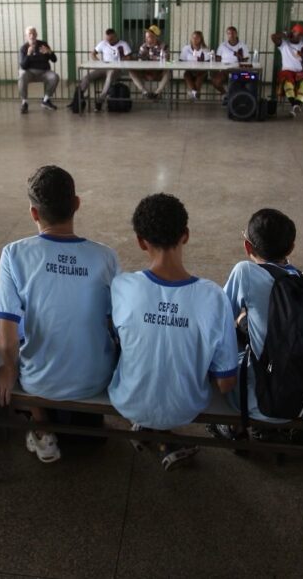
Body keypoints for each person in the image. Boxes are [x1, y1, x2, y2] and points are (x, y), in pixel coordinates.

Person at [0, 166, 121, 463]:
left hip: (39, 382)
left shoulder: (14, 253)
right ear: (76, 204)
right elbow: (118, 324)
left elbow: (7, 338)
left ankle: (41, 424)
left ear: (34, 213)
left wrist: (9, 368)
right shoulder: (106, 256)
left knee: (18, 326)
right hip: (96, 378)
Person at [108, 193, 238, 470]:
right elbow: (226, 384)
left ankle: (149, 427)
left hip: (128, 401)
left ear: (140, 242)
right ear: (186, 235)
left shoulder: (123, 287)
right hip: (186, 408)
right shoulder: (213, 296)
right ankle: (161, 432)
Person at [219, 208, 299, 430]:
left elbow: (221, 314)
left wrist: (241, 321)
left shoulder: (245, 271)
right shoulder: (300, 280)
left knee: (224, 341)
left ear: (247, 247)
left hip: (257, 402)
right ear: (291, 247)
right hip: (302, 396)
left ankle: (230, 428)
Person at [77, 28, 131, 112]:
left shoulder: (123, 44)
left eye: (111, 39)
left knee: (109, 78)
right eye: (107, 39)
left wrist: (123, 58)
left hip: (116, 69)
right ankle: (78, 98)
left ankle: (100, 101)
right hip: (103, 67)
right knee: (86, 78)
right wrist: (98, 62)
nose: (109, 41)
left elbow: (129, 57)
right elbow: (93, 53)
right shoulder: (103, 43)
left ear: (115, 36)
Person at [270, 24, 303, 117]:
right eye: (294, 32)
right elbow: (273, 37)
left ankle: (296, 105)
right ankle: (295, 105)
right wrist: (285, 33)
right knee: (287, 82)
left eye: (299, 34)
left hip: (301, 71)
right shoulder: (284, 44)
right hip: (287, 71)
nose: (297, 35)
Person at [18, 26, 59, 114]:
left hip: (44, 72)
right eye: (29, 34)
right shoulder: (23, 48)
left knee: (55, 77)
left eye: (33, 33)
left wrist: (49, 52)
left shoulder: (43, 44)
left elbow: (54, 59)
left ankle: (46, 100)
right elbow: (23, 66)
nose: (32, 36)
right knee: (22, 75)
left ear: (36, 35)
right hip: (30, 73)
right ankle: (24, 102)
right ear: (26, 36)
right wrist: (28, 54)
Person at [129, 25, 171, 100]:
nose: (147, 39)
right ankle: (145, 92)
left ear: (156, 37)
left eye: (149, 36)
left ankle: (157, 93)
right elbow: (140, 61)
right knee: (131, 71)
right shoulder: (144, 47)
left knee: (168, 71)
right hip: (146, 72)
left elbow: (166, 60)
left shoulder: (164, 46)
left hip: (159, 72)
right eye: (146, 37)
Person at [179, 30, 220, 101]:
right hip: (190, 70)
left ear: (201, 39)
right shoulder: (186, 48)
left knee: (201, 74)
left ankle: (194, 93)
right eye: (193, 38)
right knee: (186, 74)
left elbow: (208, 63)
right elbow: (181, 61)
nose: (195, 40)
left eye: (197, 38)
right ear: (191, 39)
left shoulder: (205, 49)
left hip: (202, 71)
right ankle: (195, 92)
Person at [213, 25, 251, 100]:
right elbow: (218, 58)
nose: (231, 35)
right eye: (229, 33)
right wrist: (218, 68)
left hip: (237, 70)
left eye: (233, 33)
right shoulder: (223, 45)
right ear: (227, 35)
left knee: (235, 84)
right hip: (224, 70)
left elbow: (246, 59)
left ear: (236, 34)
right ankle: (225, 95)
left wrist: (240, 57)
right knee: (215, 81)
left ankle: (234, 98)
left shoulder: (242, 45)